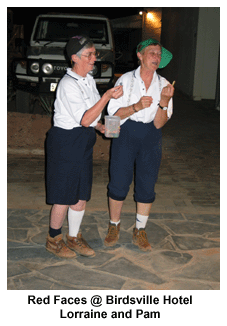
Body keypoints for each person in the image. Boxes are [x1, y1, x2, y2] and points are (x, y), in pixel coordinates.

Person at [45, 35, 123, 258]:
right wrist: (107, 96)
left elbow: (90, 115)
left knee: (80, 194)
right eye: (89, 55)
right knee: (63, 195)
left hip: (83, 140)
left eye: (94, 54)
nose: (94, 58)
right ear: (74, 58)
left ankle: (74, 236)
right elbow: (84, 119)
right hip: (65, 143)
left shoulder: (87, 79)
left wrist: (100, 126)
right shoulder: (68, 85)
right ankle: (54, 239)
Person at [104, 38, 174, 251]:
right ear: (140, 55)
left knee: (147, 182)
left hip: (151, 134)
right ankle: (114, 225)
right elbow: (113, 114)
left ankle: (140, 229)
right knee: (118, 179)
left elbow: (159, 123)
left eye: (159, 54)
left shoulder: (164, 85)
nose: (156, 57)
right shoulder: (125, 80)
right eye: (151, 52)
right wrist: (135, 106)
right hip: (126, 132)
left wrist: (163, 102)